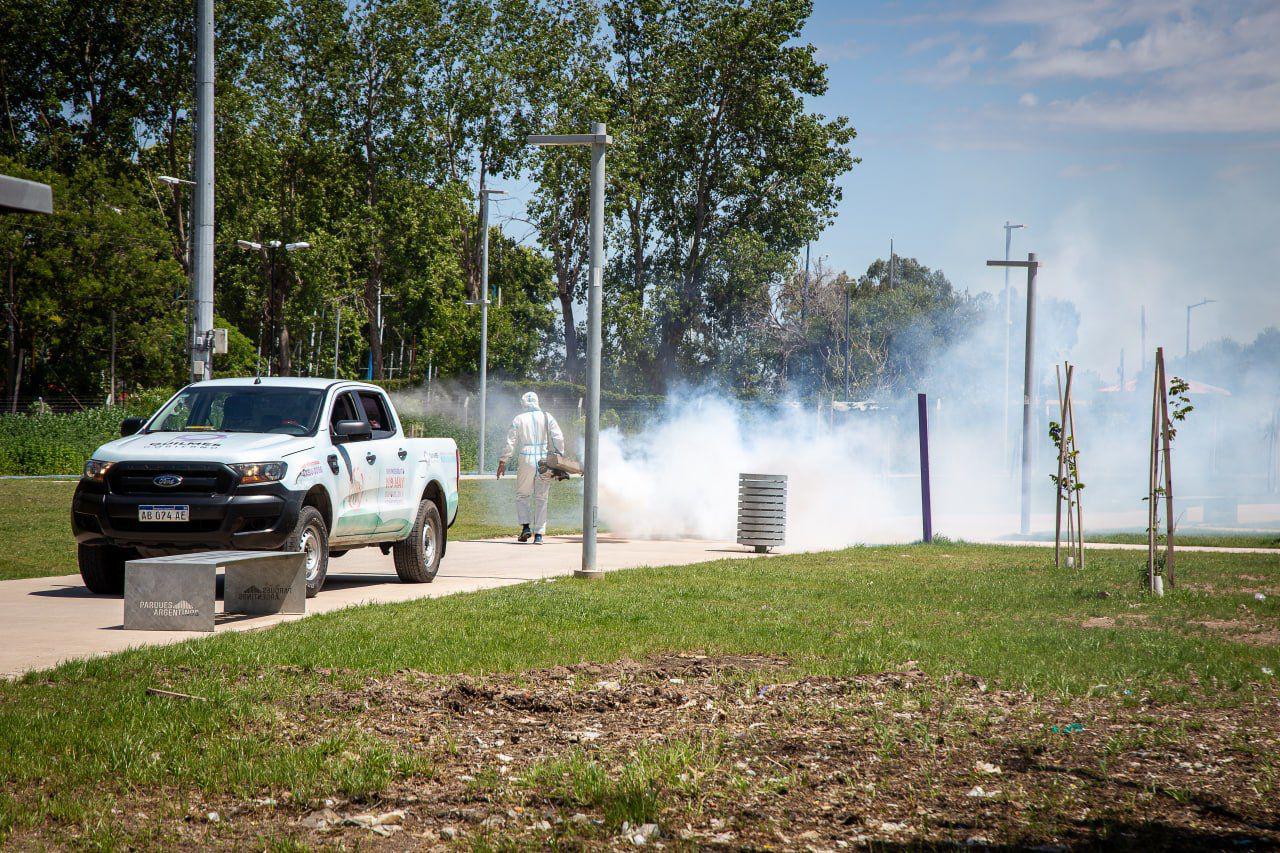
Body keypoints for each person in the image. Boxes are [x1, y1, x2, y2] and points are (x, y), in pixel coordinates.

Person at [496, 391, 564, 544]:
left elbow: (510, 442)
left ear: (523, 403)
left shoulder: (518, 419)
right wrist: (560, 456)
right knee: (542, 497)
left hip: (526, 457)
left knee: (523, 495)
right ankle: (539, 534)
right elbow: (558, 437)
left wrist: (503, 461)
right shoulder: (547, 416)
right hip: (543, 458)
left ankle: (526, 527)